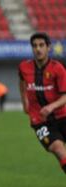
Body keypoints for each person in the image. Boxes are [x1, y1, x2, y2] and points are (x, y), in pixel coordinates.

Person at [19, 32, 66, 173]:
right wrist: (24, 102)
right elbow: (21, 82)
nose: (38, 49)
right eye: (34, 46)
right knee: (57, 149)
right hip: (39, 120)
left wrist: (51, 107)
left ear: (48, 48)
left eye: (41, 45)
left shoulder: (58, 69)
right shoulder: (24, 67)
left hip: (62, 115)